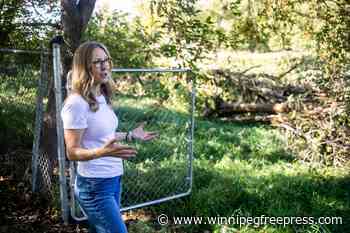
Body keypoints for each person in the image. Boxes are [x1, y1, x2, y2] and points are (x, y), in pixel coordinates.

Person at [61, 41, 157, 233]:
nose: (105, 66)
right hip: (94, 186)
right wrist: (102, 152)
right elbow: (72, 152)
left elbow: (104, 135)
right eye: (97, 62)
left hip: (113, 179)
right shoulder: (76, 103)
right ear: (84, 67)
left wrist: (130, 135)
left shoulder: (101, 96)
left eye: (106, 60)